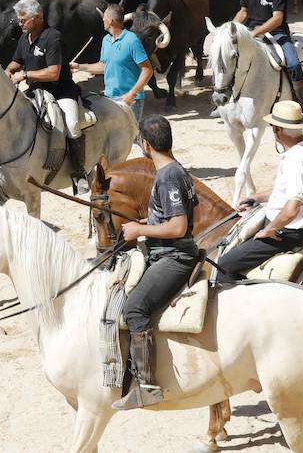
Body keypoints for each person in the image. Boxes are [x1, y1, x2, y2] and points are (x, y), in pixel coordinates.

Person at [111, 114, 199, 411]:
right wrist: (150, 220)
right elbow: (174, 214)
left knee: (135, 308)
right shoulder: (177, 169)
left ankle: (146, 386)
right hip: (168, 249)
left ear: (145, 145)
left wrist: (140, 230)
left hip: (174, 257)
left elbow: (178, 227)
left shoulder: (167, 176)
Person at [216, 101, 303, 280]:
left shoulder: (295, 160)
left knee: (224, 265)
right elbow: (286, 190)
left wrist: (269, 229)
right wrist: (256, 197)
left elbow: (292, 208)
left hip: (290, 232)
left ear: (277, 130)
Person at [6, 0, 85, 182]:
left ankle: (79, 171)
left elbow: (53, 73)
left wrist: (25, 75)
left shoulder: (53, 38)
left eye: (23, 19)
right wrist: (8, 71)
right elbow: (16, 61)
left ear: (37, 17)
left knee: (72, 125)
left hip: (61, 92)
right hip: (36, 93)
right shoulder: (25, 38)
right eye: (19, 19)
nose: (20, 23)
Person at [232, 0, 303, 107]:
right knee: (229, 57)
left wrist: (255, 33)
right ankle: (224, 99)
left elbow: (277, 18)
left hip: (276, 33)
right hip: (252, 30)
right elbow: (243, 11)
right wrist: (231, 29)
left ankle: (300, 103)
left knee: (293, 63)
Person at [72, 3, 154, 121]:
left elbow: (147, 70)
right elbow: (103, 66)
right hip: (109, 98)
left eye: (104, 17)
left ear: (110, 20)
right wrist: (80, 67)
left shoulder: (132, 40)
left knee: (130, 139)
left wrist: (132, 94)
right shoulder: (106, 40)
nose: (102, 20)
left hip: (130, 101)